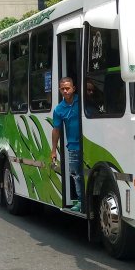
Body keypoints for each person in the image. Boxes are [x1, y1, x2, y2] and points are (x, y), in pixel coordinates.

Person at [51, 77, 82, 212]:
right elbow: (56, 130)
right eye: (62, 89)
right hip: (73, 147)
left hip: (88, 145)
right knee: (76, 174)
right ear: (59, 90)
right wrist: (53, 150)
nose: (65, 91)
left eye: (68, 88)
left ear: (73, 89)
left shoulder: (81, 102)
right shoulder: (58, 109)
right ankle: (81, 201)